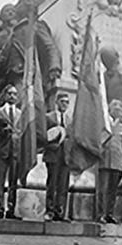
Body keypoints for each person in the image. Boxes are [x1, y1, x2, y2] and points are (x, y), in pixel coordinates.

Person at [0, 0, 62, 107]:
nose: (11, 12)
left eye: (13, 10)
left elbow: (50, 47)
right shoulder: (0, 36)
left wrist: (54, 66)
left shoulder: (35, 26)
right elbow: (2, 52)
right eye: (7, 11)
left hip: (25, 73)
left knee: (23, 104)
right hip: (4, 77)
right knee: (7, 106)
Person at [0, 84, 22, 219]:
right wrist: (1, 131)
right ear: (5, 95)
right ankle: (0, 208)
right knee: (0, 181)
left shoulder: (21, 114)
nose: (12, 96)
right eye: (10, 94)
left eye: (15, 94)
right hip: (1, 150)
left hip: (15, 151)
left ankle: (11, 210)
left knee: (13, 182)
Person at [96, 99, 122, 223]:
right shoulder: (104, 124)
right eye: (114, 106)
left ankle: (109, 213)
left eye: (119, 107)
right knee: (102, 190)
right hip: (105, 161)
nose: (116, 109)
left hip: (117, 162)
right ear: (109, 109)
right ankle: (100, 214)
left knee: (113, 191)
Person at [43, 92, 71, 221]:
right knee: (52, 184)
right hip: (53, 154)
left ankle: (60, 211)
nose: (64, 104)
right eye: (62, 101)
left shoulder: (70, 121)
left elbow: (73, 139)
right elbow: (43, 137)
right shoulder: (49, 118)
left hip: (65, 157)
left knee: (63, 186)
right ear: (56, 102)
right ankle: (49, 210)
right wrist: (50, 145)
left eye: (67, 102)